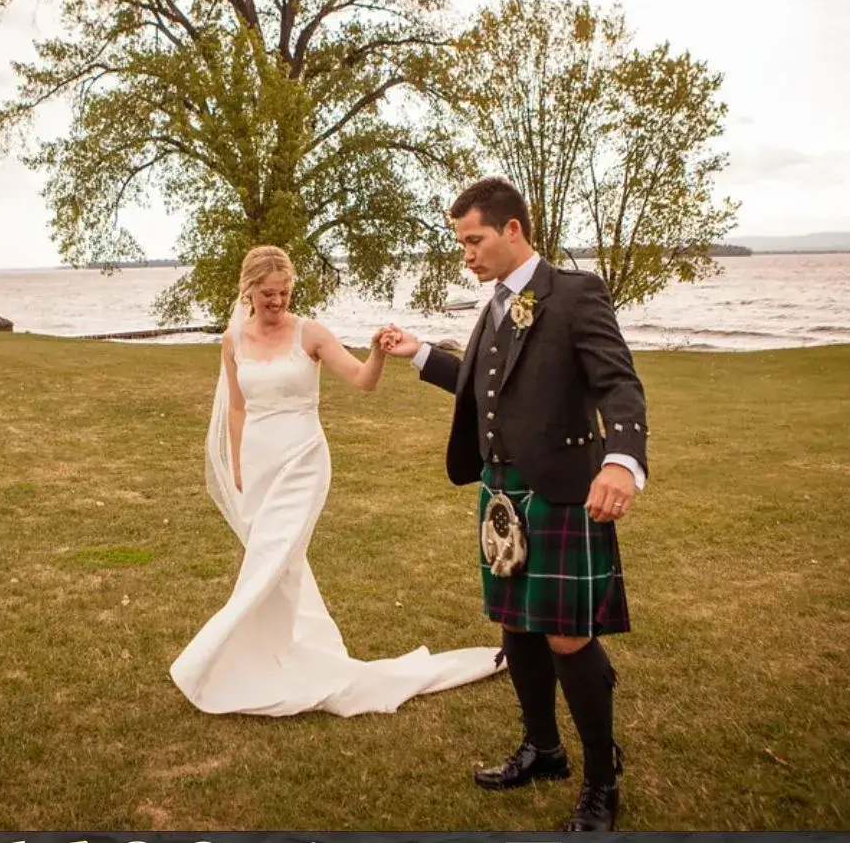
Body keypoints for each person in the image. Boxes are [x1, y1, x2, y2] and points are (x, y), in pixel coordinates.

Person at [380, 176, 649, 831]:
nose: (465, 253)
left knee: (565, 633)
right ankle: (543, 749)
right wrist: (418, 353)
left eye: (472, 239)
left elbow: (618, 383)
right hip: (501, 492)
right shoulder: (494, 304)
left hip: (557, 489)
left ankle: (600, 779)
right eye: (459, 242)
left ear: (512, 230)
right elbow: (481, 388)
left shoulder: (573, 293)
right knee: (517, 625)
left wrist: (621, 460)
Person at [169, 245, 506, 717]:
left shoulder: (310, 333)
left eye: (284, 292)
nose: (277, 302)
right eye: (268, 293)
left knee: (271, 556)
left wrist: (376, 353)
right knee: (281, 564)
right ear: (249, 290)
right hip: (260, 462)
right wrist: (239, 464)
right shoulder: (233, 340)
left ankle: (218, 658)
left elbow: (362, 381)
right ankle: (273, 655)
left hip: (304, 460)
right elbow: (239, 408)